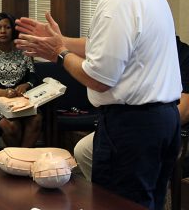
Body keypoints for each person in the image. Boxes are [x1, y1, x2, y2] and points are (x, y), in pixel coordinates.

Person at [14, 0, 180, 210]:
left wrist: (60, 54)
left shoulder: (116, 1)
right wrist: (59, 39)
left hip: (131, 126)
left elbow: (100, 77)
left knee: (117, 204)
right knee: (147, 203)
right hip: (163, 121)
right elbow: (109, 50)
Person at [74, 35, 189, 181]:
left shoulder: (184, 57)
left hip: (166, 129)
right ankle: (112, 198)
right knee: (84, 150)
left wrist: (144, 128)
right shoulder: (143, 53)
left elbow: (184, 111)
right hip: (134, 121)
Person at [0, 12, 41, 148]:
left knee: (36, 119)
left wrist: (26, 85)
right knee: (12, 126)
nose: (3, 31)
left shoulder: (23, 52)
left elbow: (33, 76)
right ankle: (20, 161)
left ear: (13, 30)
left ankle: (20, 161)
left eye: (7, 27)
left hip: (21, 101)